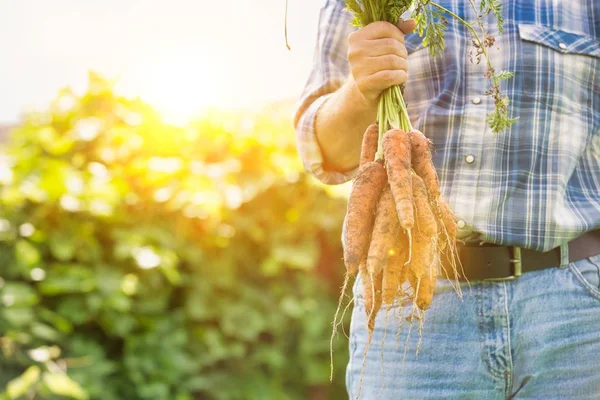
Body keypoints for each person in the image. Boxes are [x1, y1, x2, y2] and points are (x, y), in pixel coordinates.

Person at [294, 0, 600, 398]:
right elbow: (325, 154)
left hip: (575, 308)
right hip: (411, 302)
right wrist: (362, 87)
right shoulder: (362, 5)